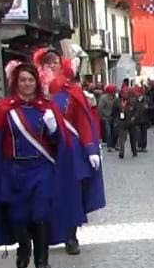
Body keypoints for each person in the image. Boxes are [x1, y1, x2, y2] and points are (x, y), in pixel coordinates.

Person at [0, 61, 85, 268]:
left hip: (42, 168)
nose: (27, 84)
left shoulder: (48, 108)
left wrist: (53, 129)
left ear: (36, 82)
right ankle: (23, 245)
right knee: (19, 216)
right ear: (16, 82)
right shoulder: (3, 108)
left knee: (41, 214)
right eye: (23, 80)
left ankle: (42, 263)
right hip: (14, 170)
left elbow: (60, 144)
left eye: (31, 80)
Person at [36, 48, 104, 255]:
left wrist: (91, 148)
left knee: (72, 193)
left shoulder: (71, 91)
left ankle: (70, 235)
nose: (52, 65)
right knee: (44, 194)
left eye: (55, 61)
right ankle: (42, 235)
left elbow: (83, 121)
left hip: (70, 150)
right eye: (47, 62)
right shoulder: (33, 91)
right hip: (42, 150)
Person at [96, 84, 117, 151]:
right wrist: (104, 115)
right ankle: (109, 146)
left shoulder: (115, 97)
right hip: (106, 117)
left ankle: (114, 145)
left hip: (113, 117)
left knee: (115, 131)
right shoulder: (103, 98)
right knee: (108, 132)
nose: (113, 93)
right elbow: (100, 108)